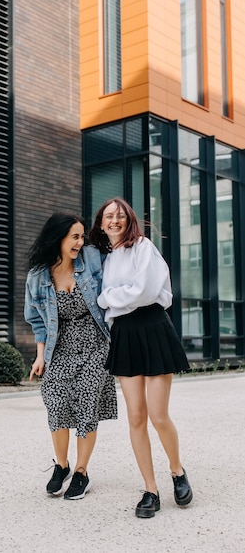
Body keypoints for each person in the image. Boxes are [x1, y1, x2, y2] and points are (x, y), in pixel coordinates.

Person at [89, 197, 193, 518]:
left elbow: (145, 292)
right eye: (109, 217)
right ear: (102, 224)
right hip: (125, 334)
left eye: (120, 215)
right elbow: (119, 300)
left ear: (129, 219)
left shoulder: (143, 246)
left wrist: (108, 297)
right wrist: (116, 301)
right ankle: (151, 489)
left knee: (158, 416)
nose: (115, 221)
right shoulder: (106, 259)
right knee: (135, 417)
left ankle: (177, 470)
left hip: (153, 326)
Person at [24, 212, 117, 500]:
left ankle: (81, 471)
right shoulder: (37, 276)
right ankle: (61, 465)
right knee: (56, 401)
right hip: (59, 345)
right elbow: (37, 321)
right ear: (59, 238)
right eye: (74, 236)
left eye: (81, 236)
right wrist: (40, 356)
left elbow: (118, 255)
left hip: (95, 342)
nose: (80, 242)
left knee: (87, 402)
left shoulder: (91, 258)